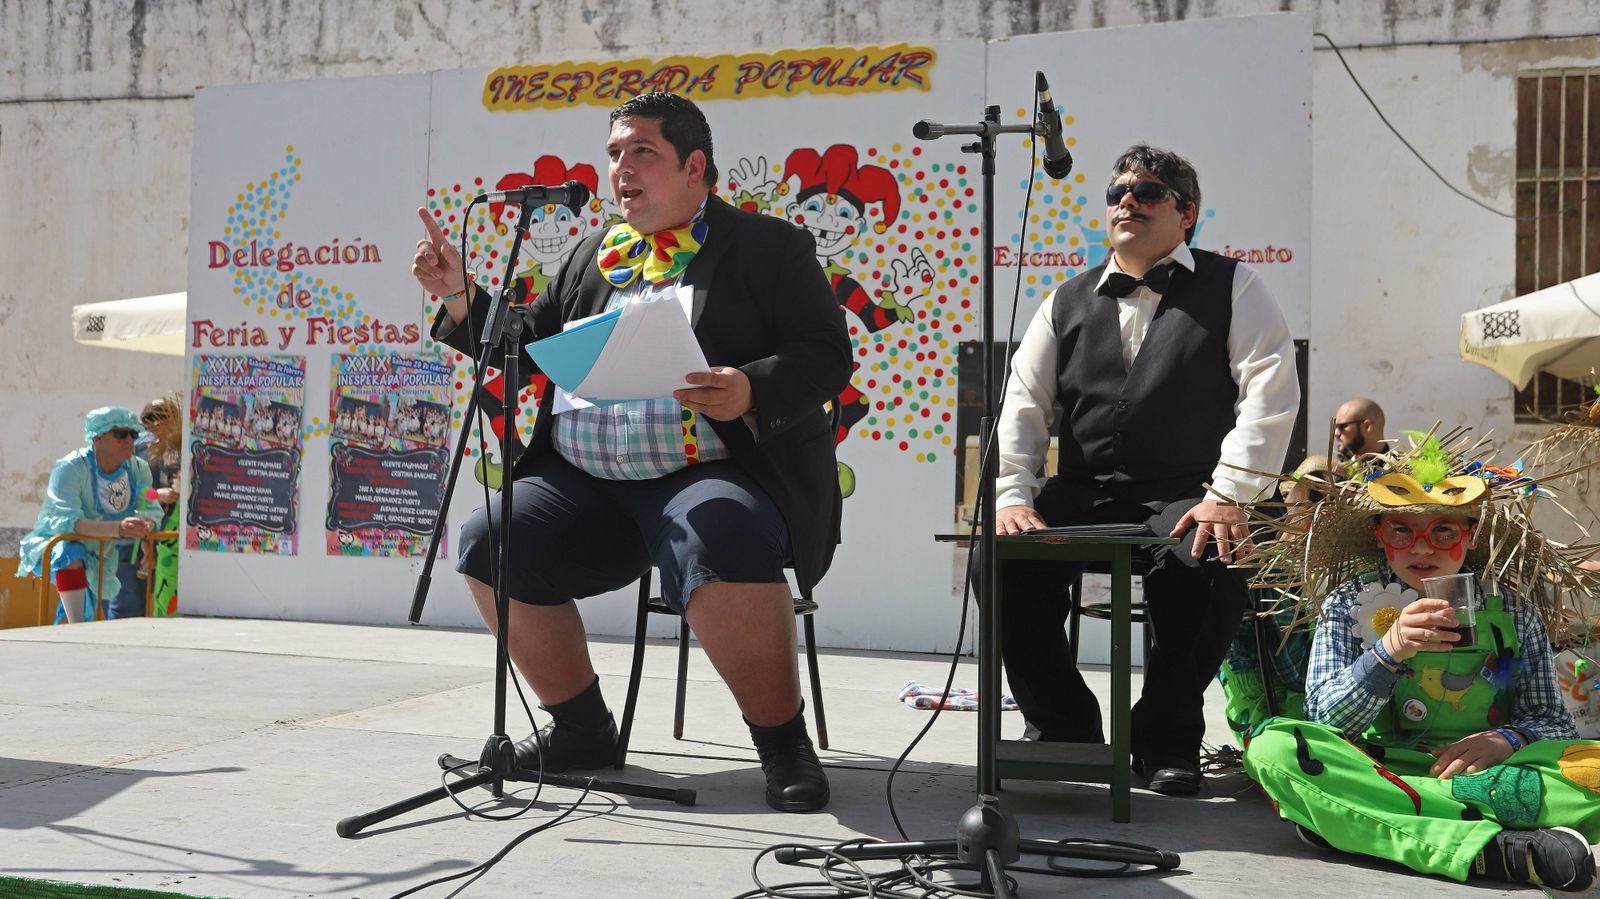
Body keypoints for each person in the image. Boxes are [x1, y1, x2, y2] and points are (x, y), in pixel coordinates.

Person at [411, 92, 851, 812]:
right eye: (614, 153)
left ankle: (783, 745)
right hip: (587, 486)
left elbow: (827, 355)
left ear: (695, 165)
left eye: (641, 151)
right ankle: (581, 727)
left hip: (710, 472)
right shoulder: (594, 256)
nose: (621, 168)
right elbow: (525, 346)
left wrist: (749, 387)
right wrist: (463, 295)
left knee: (720, 529)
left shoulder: (769, 247)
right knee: (491, 535)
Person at [993, 144, 1299, 796]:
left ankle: (1165, 737)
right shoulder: (1064, 299)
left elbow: (1270, 391)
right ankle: (1064, 724)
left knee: (1209, 555)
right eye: (1117, 192)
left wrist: (1230, 493)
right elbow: (1023, 404)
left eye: (1148, 192)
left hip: (1188, 489)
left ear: (1186, 213)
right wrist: (1014, 495)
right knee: (999, 557)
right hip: (1084, 491)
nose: (1127, 200)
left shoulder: (1234, 284)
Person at [1241, 432, 1599, 891]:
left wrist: (1506, 739)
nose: (1422, 548)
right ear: (1380, 535)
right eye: (1402, 530)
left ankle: (1364, 824)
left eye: (1443, 530)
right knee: (1274, 750)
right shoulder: (1348, 604)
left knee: (1588, 768)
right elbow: (1325, 720)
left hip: (1487, 774)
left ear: (1469, 536)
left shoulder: (1513, 610)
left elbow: (1553, 721)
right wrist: (1386, 653)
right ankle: (1497, 845)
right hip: (1380, 768)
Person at [17, 407, 163, 623]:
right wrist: (118, 529)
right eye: (120, 434)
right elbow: (68, 523)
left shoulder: (138, 468)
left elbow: (150, 504)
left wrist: (146, 526)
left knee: (95, 609)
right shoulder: (71, 468)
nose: (129, 441)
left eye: (132, 434)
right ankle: (77, 629)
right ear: (97, 438)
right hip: (60, 544)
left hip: (105, 550)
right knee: (71, 552)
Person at [1333, 397, 1386, 463]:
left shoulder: (1399, 471)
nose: (1336, 433)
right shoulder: (1334, 471)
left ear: (1367, 426)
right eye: (1336, 427)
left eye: (1343, 426)